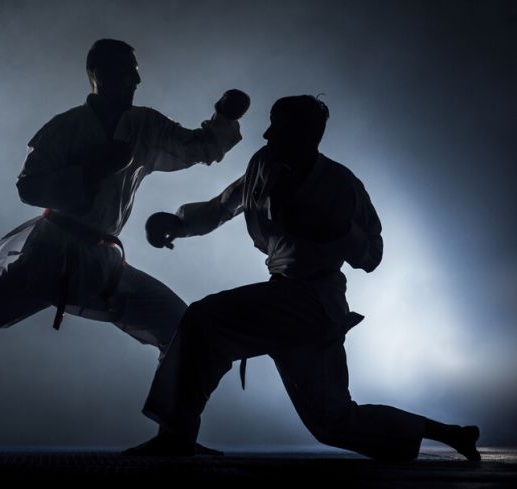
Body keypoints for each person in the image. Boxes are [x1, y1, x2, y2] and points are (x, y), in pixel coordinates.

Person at [0, 39, 248, 418]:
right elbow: (28, 187)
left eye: (137, 72)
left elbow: (197, 148)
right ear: (98, 74)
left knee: (179, 325)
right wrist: (89, 170)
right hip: (51, 251)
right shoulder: (64, 128)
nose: (137, 80)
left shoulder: (145, 125)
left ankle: (173, 431)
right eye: (128, 71)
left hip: (104, 260)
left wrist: (225, 117)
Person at [125, 95, 481, 461]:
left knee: (204, 320)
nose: (267, 134)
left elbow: (372, 255)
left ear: (306, 135)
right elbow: (225, 205)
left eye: (277, 128)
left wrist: (337, 230)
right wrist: (180, 223)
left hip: (313, 300)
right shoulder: (263, 164)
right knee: (333, 422)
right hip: (286, 299)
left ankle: (176, 436)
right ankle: (451, 433)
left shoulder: (341, 184)